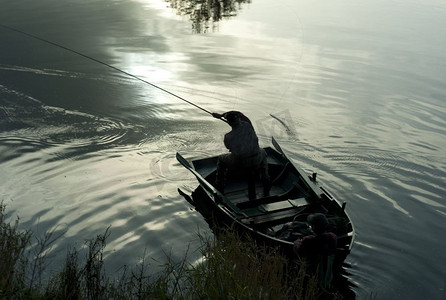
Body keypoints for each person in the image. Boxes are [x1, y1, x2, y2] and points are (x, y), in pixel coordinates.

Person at [212, 111, 270, 198]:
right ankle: (266, 181)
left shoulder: (228, 136)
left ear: (229, 123)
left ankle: (219, 187)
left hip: (240, 163)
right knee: (263, 152)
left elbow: (229, 148)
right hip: (256, 158)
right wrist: (222, 115)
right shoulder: (248, 125)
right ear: (239, 119)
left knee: (221, 159)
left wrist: (221, 116)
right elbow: (239, 113)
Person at [293, 213, 337, 287]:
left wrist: (296, 242)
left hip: (311, 275)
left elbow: (299, 251)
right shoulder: (333, 237)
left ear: (313, 227)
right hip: (327, 275)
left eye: (311, 225)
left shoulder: (308, 240)